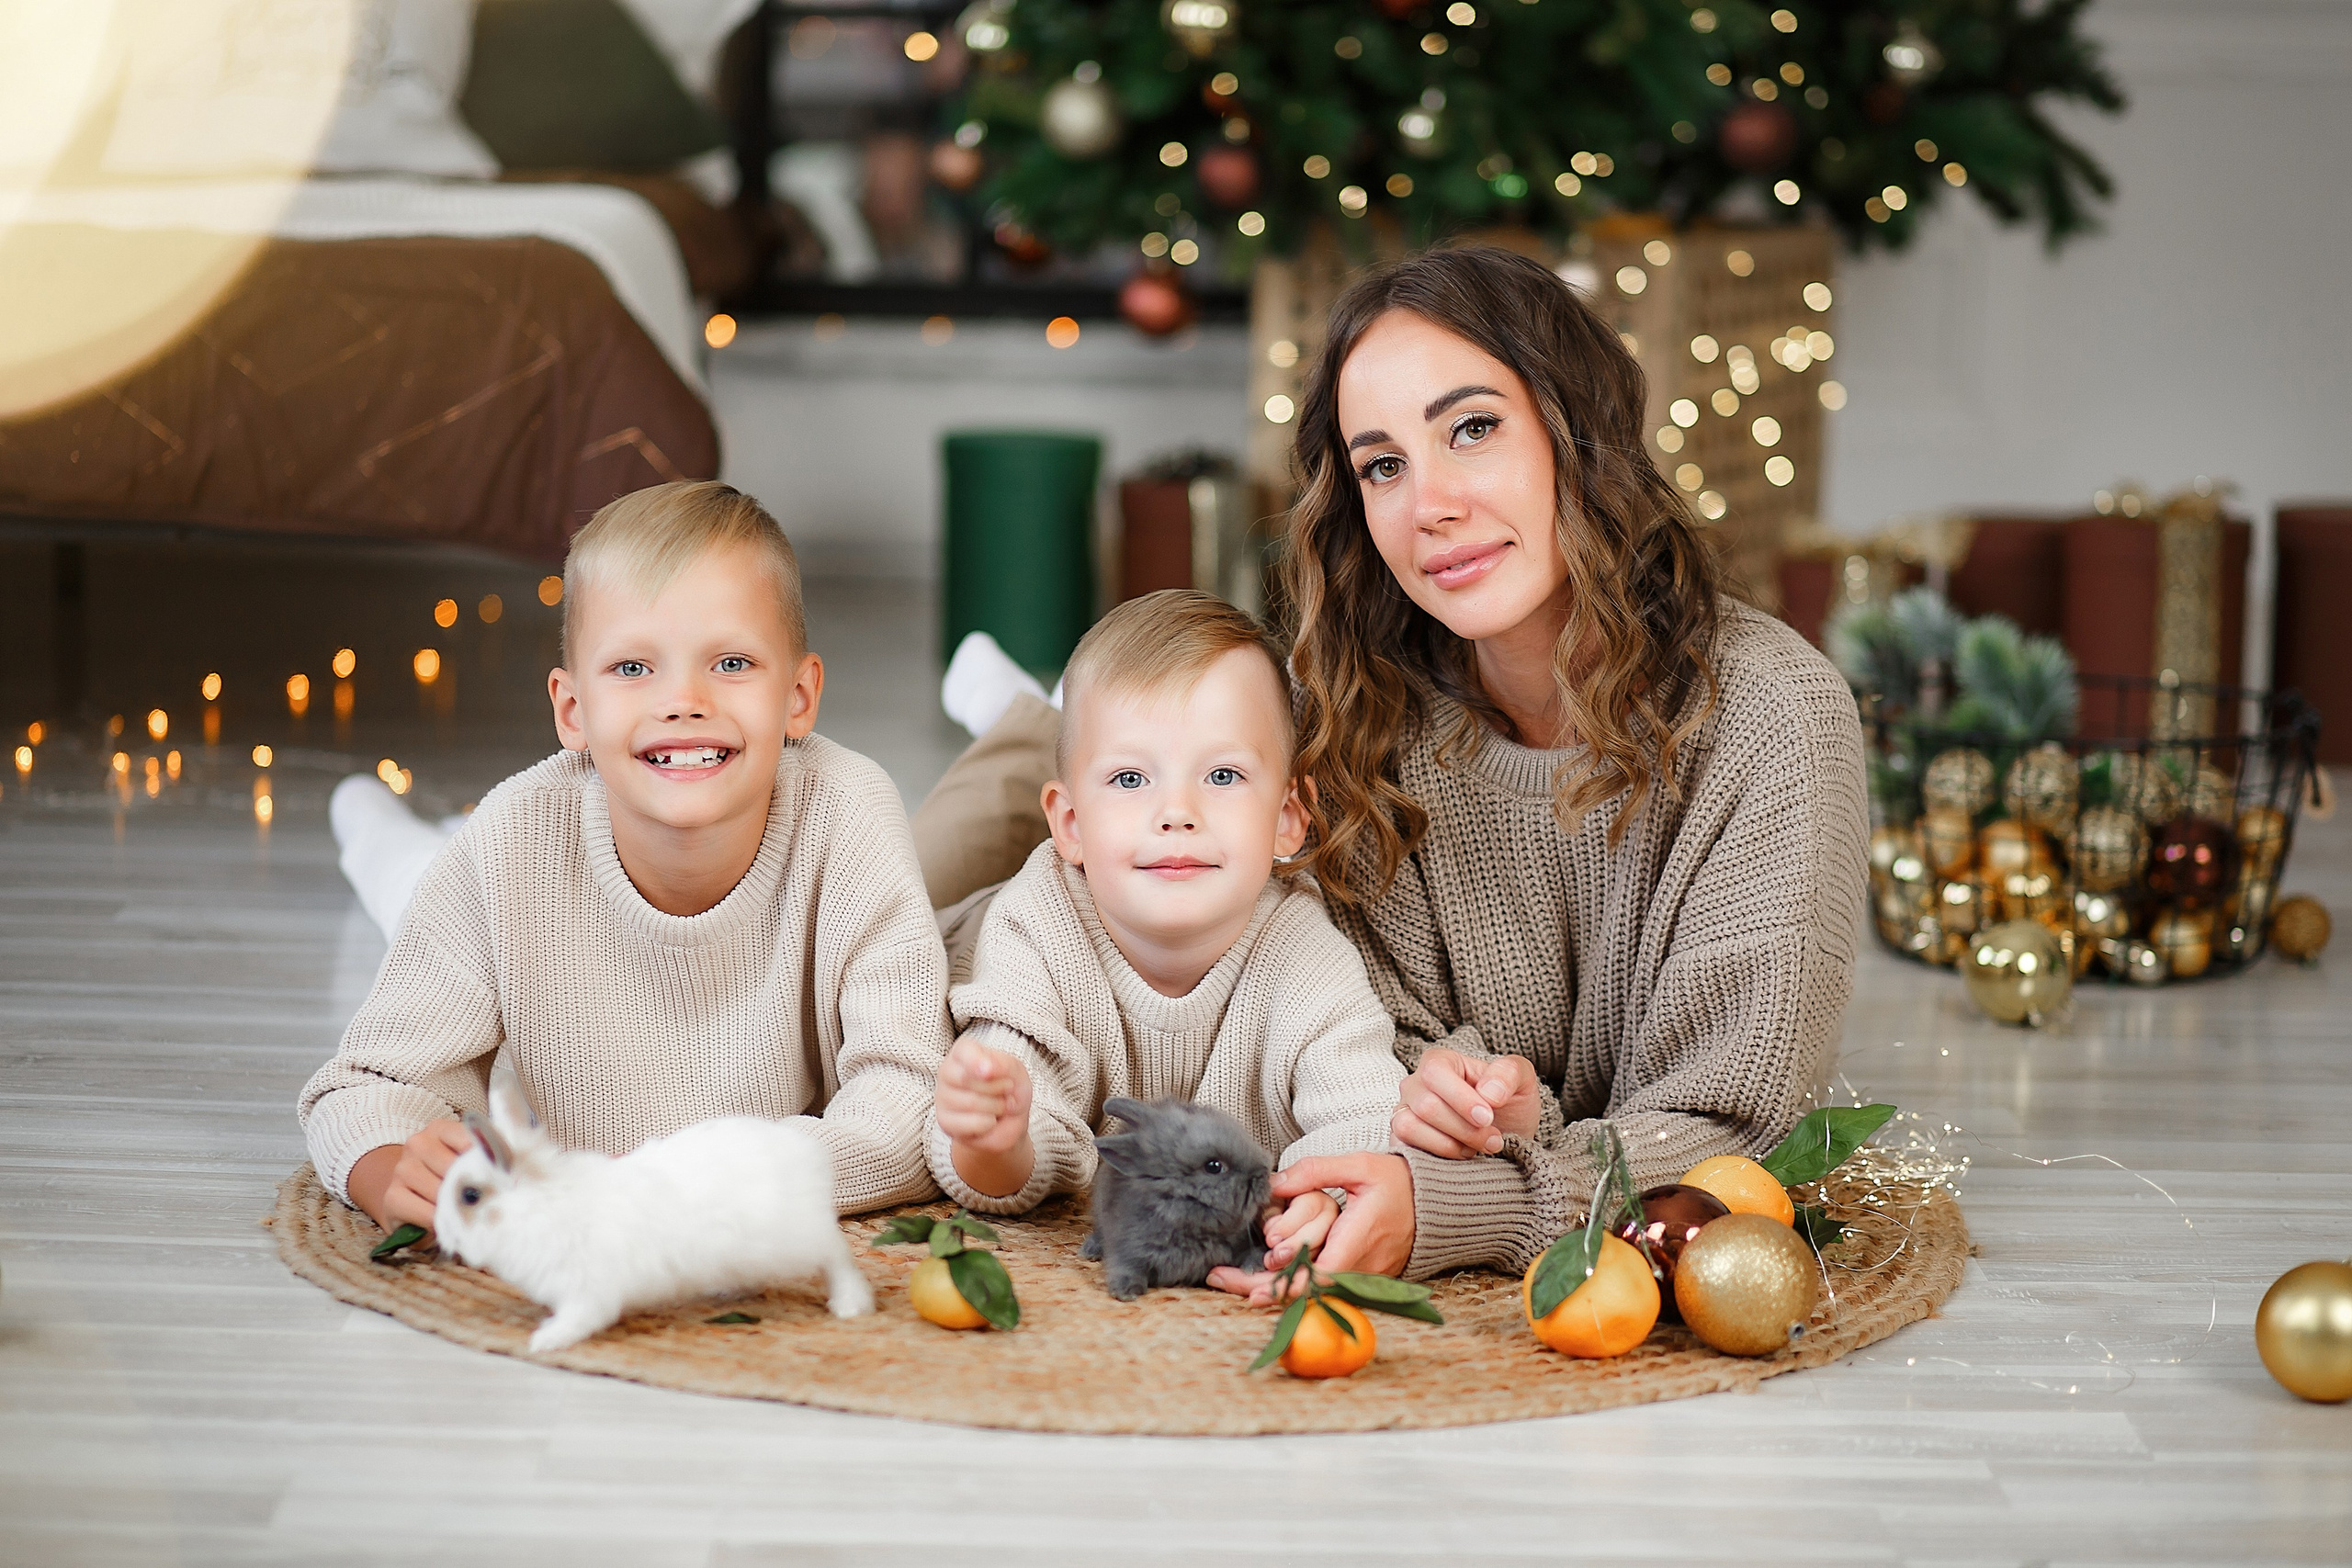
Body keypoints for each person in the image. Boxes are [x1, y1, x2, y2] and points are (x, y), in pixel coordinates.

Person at [919, 246, 1868, 1293]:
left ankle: (1053, 722)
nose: (1429, 507)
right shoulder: (1358, 704)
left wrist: (1469, 1175)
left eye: (1471, 428)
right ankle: (1033, 732)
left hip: (1181, 799)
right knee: (908, 918)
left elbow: (1733, 1132)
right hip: (1080, 857)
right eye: (1382, 465)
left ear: (1575, 434)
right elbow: (1383, 1021)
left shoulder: (1774, 723)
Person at [300, 480, 953, 1236]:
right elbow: (363, 1086)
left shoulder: (848, 811)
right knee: (407, 876)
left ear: (799, 697)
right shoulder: (513, 842)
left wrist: (700, 1182)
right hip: (516, 866)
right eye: (634, 668)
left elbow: (907, 1103)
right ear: (572, 711)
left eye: (733, 663)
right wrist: (393, 1170)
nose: (683, 699)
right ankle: (367, 816)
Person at [928, 591, 1406, 1270]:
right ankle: (1018, 718)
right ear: (1069, 824)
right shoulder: (1032, 928)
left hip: (1111, 848)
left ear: (1288, 817)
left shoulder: (1305, 952)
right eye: (1131, 777)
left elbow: (1363, 1107)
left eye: (1222, 774)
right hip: (965, 915)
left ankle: (1059, 730)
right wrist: (995, 1140)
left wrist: (1328, 1192)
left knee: (1096, 750)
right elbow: (995, 1126)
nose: (1177, 812)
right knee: (937, 849)